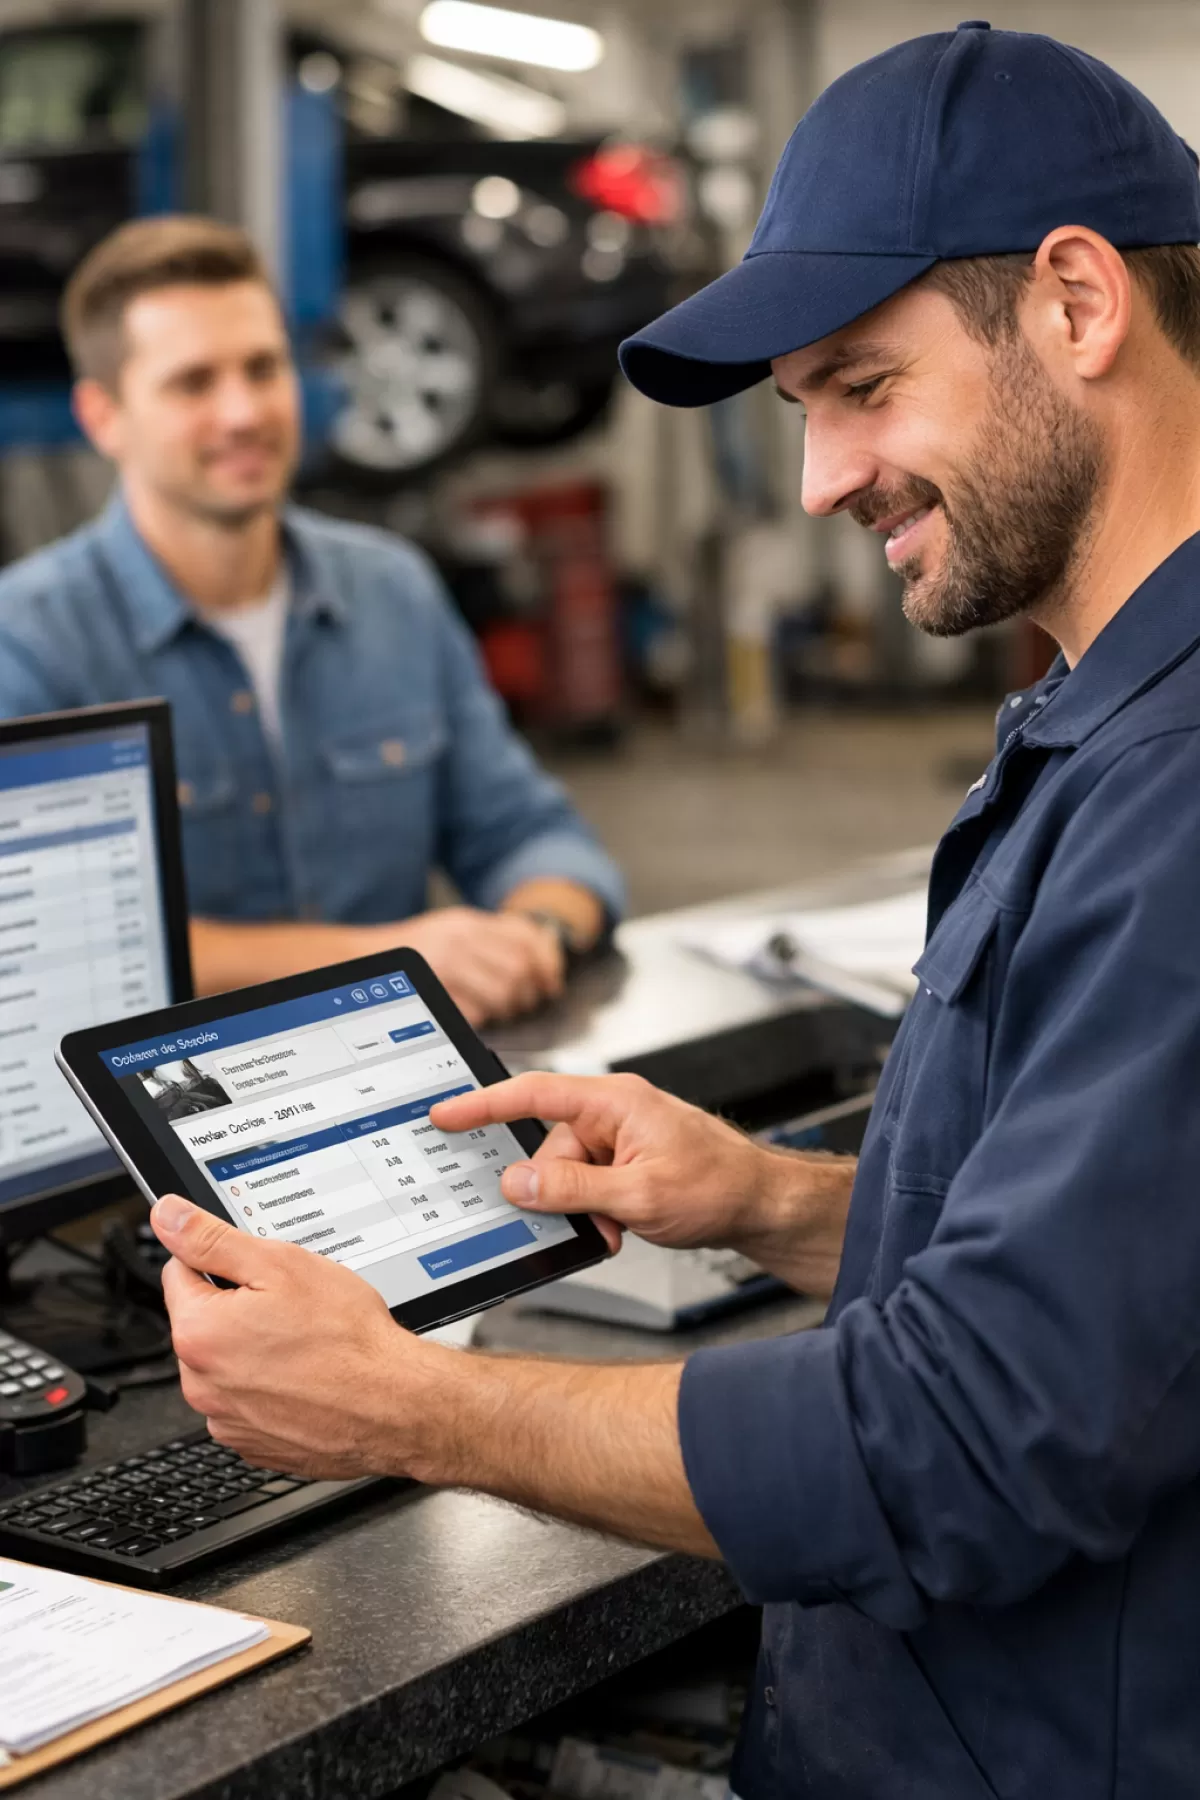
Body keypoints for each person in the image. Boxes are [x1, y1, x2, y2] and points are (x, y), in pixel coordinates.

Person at [150, 23, 1200, 1797]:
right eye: (805, 413)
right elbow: (1130, 1280)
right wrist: (778, 1205)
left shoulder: (1178, 786)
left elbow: (970, 1443)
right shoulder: (1102, 713)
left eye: (862, 385)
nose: (820, 483)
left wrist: (416, 1409)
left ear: (1079, 305)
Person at [0, 216, 623, 1020]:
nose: (242, 413)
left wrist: (532, 931)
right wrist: (393, 962)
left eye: (263, 369)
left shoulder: (393, 592)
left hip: (398, 1085)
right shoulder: (29, 641)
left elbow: (530, 834)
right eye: (193, 382)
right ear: (103, 417)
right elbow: (59, 947)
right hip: (166, 1111)